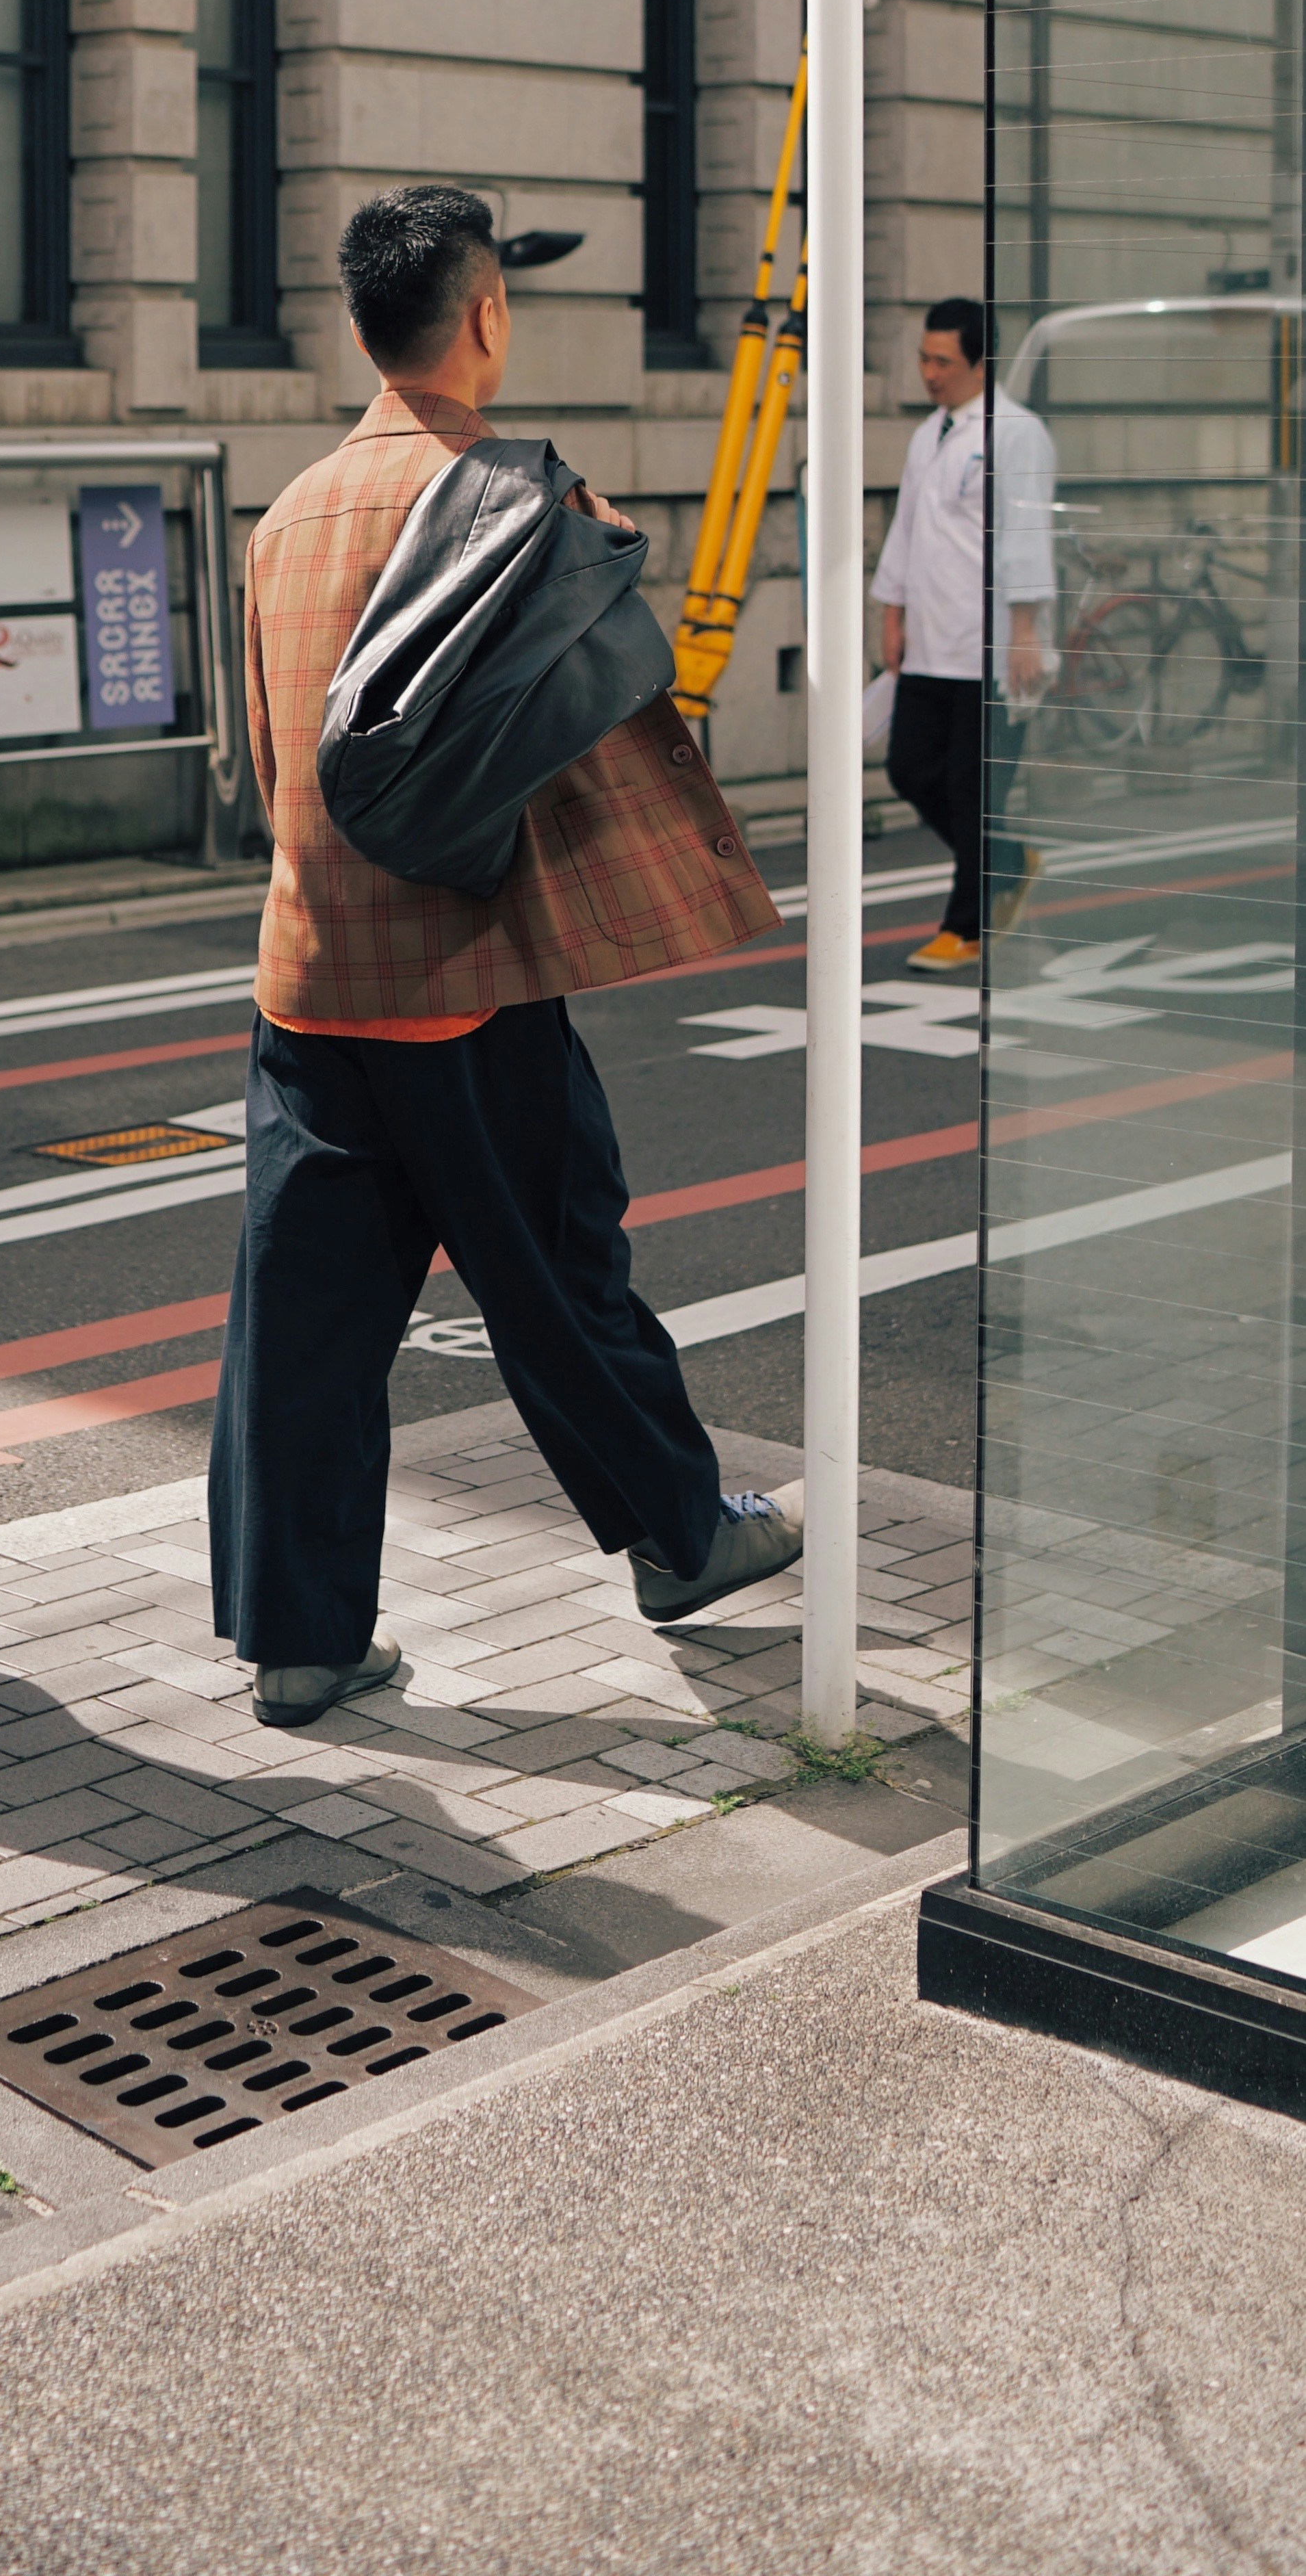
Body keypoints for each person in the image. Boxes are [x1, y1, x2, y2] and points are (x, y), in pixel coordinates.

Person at [209, 183, 803, 1727]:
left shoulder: (281, 525)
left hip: (310, 987)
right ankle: (679, 1537)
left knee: (308, 1325)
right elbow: (585, 748)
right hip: (468, 986)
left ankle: (302, 1639)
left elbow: (273, 767)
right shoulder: (521, 506)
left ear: (356, 330)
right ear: (484, 319)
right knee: (560, 1277)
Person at [872, 296, 1056, 974]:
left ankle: (967, 926)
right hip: (931, 642)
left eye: (942, 361)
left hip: (992, 647)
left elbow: (1028, 535)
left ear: (982, 363)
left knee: (973, 789)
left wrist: (1027, 631)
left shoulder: (1016, 433)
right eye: (923, 358)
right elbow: (906, 531)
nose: (928, 372)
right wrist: (892, 614)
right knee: (910, 770)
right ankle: (1008, 861)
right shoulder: (931, 433)